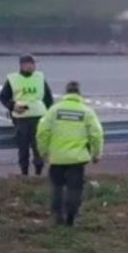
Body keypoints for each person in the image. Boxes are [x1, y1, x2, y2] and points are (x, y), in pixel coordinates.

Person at [36, 81, 104, 227]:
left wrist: (43, 151)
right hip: (77, 159)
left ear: (66, 93)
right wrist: (96, 154)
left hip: (57, 158)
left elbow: (42, 132)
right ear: (79, 94)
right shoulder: (86, 111)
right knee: (75, 189)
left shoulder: (54, 110)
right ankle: (71, 217)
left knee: (57, 187)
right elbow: (96, 134)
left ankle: (57, 216)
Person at [0, 55, 54, 176]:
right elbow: (3, 97)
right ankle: (24, 173)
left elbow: (48, 98)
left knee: (38, 147)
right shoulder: (13, 79)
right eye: (31, 64)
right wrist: (12, 106)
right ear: (23, 65)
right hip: (21, 118)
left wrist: (49, 115)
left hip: (39, 117)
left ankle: (38, 172)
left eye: (34, 64)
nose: (34, 66)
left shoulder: (39, 77)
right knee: (23, 148)